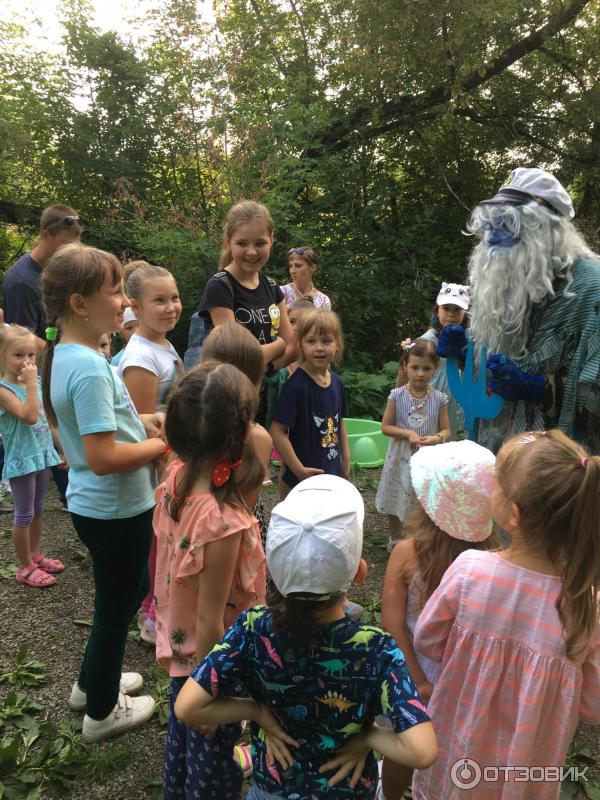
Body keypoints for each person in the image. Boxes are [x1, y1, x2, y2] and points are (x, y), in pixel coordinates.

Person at [173, 473, 437, 800]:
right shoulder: (376, 649)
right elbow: (422, 751)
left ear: (274, 569)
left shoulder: (251, 629)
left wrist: (255, 711)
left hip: (271, 789)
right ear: (360, 572)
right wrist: (368, 736)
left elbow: (187, 707)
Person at [412, 429, 600, 800]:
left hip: (455, 762)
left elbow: (428, 640)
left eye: (496, 484)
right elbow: (593, 706)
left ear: (512, 514)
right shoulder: (587, 603)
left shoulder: (470, 571)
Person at [41, 242, 167, 742]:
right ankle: (101, 712)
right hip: (116, 508)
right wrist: (161, 443)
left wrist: (145, 423)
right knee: (116, 610)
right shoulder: (91, 367)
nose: (125, 302)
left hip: (100, 506)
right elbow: (102, 457)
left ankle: (91, 682)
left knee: (125, 593)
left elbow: (107, 428)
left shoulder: (72, 354)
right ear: (79, 303)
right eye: (115, 292)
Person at [154, 361, 266, 800]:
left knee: (183, 745)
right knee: (211, 758)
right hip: (207, 662)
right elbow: (210, 620)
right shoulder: (222, 522)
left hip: (178, 647)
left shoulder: (174, 478)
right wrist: (211, 690)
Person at [438, 167, 600, 453]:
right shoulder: (511, 284)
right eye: (491, 226)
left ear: (545, 232)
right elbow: (494, 373)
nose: (492, 241)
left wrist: (539, 388)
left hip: (567, 469)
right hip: (505, 453)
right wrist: (465, 355)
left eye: (507, 226)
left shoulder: (591, 290)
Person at [380, 439, 496, 800]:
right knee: (452, 749)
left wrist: (416, 678)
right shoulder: (490, 566)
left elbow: (393, 623)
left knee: (403, 743)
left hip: (412, 675)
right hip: (461, 682)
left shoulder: (405, 553)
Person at [118, 260, 183, 646]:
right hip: (156, 464)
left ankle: (161, 603)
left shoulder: (162, 342)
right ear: (135, 309)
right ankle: (150, 614)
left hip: (172, 456)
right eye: (159, 300)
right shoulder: (141, 356)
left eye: (173, 297)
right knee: (158, 541)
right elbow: (140, 423)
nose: (170, 307)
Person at [3, 204, 83, 508]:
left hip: (60, 358)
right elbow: (21, 337)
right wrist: (68, 351)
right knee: (52, 424)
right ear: (44, 235)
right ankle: (68, 497)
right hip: (39, 369)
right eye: (64, 245)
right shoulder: (22, 280)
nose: (69, 252)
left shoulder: (60, 270)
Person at [194, 201, 296, 422]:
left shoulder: (271, 287)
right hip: (230, 396)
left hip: (266, 395)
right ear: (228, 242)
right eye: (242, 243)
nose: (251, 252)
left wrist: (265, 367)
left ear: (272, 240)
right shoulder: (220, 286)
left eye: (260, 243)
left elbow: (294, 347)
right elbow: (233, 355)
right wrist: (278, 345)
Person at [0, 325, 62, 587]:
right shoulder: (4, 390)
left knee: (38, 510)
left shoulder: (33, 382)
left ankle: (35, 554)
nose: (26, 362)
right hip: (23, 460)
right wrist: (31, 385)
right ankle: (24, 566)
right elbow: (29, 415)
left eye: (31, 356)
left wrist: (60, 449)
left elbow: (48, 419)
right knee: (24, 514)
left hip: (41, 455)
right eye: (18, 355)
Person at [201, 322, 274, 546]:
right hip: (237, 540)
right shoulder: (257, 437)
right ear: (255, 384)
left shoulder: (191, 424)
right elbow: (245, 508)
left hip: (194, 531)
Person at [375, 340, 451, 549]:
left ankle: (420, 538)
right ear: (405, 366)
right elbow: (385, 427)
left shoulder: (439, 399)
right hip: (400, 457)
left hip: (427, 459)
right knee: (395, 494)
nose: (420, 373)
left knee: (423, 498)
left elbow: (446, 429)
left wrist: (437, 438)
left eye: (426, 368)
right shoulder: (397, 395)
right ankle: (396, 537)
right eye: (415, 368)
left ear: (435, 369)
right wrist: (408, 433)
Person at [270, 308, 350, 498]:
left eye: (326, 341)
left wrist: (345, 457)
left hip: (330, 472)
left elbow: (341, 421)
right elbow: (277, 430)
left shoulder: (337, 383)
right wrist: (299, 469)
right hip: (302, 479)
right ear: (300, 346)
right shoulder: (296, 386)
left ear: (337, 344)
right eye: (311, 341)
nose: (319, 347)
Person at [418, 283, 468, 439]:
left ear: (464, 314)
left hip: (451, 403)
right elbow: (405, 371)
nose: (451, 314)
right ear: (437, 311)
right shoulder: (426, 342)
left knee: (446, 444)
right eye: (446, 308)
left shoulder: (467, 341)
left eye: (457, 309)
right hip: (425, 402)